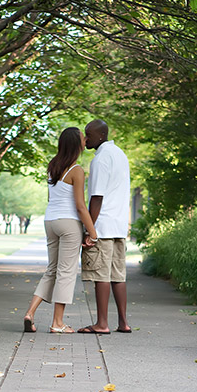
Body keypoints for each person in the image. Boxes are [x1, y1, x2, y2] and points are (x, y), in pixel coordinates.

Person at [23, 127, 98, 334]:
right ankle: (57, 323)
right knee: (66, 273)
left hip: (50, 221)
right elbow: (80, 207)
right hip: (68, 224)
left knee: (52, 270)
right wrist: (93, 233)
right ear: (76, 144)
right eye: (83, 139)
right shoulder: (77, 170)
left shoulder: (53, 166)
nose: (85, 141)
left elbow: (51, 199)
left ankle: (30, 313)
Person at [78, 119, 132, 334]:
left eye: (88, 135)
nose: (85, 139)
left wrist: (89, 229)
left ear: (100, 136)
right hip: (118, 224)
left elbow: (96, 197)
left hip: (103, 225)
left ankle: (101, 324)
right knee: (118, 275)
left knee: (100, 275)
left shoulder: (100, 159)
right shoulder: (120, 154)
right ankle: (123, 322)